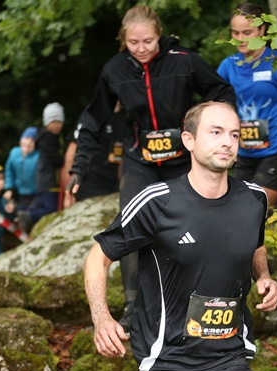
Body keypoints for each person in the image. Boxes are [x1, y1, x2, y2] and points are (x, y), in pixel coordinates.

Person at [84, 102, 277, 371]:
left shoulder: (253, 200)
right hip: (167, 370)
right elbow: (99, 255)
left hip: (228, 365)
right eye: (216, 132)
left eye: (234, 134)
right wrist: (101, 316)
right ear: (188, 140)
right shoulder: (158, 202)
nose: (228, 142)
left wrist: (264, 277)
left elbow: (254, 243)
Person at [68, 4, 236, 330]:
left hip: (182, 160)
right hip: (140, 160)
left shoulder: (183, 60)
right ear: (123, 41)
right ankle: (133, 308)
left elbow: (221, 91)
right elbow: (93, 119)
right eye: (134, 43)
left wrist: (213, 127)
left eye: (148, 41)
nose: (142, 49)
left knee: (190, 226)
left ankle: (197, 299)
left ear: (159, 35)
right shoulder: (114, 69)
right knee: (131, 226)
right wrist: (79, 167)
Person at [217, 2, 277, 208]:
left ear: (262, 30)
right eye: (235, 33)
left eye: (247, 33)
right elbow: (214, 108)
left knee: (253, 208)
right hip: (244, 152)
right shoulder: (228, 65)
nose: (240, 39)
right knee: (235, 211)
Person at [61, 104, 125, 207]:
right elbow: (71, 152)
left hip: (111, 187)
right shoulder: (95, 111)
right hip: (87, 185)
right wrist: (68, 193)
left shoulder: (126, 115)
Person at [18, 103, 64, 234]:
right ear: (46, 123)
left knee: (45, 205)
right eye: (52, 121)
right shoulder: (49, 138)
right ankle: (28, 215)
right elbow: (54, 159)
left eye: (59, 121)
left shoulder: (49, 137)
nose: (56, 125)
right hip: (49, 181)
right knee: (51, 209)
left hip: (45, 180)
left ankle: (27, 214)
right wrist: (65, 161)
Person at [4, 126, 39, 210]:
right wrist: (9, 188)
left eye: (32, 140)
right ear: (21, 139)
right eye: (26, 138)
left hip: (36, 193)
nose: (28, 142)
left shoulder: (38, 155)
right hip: (19, 193)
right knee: (19, 212)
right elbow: (9, 172)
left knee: (32, 213)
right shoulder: (14, 152)